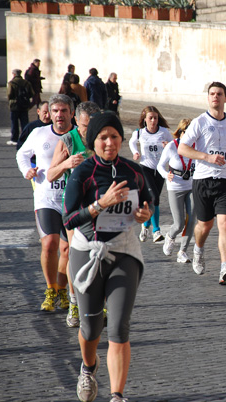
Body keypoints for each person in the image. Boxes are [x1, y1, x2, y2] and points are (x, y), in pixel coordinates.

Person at [62, 111, 153, 402]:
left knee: (118, 326)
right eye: (103, 137)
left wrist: (145, 214)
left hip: (124, 251)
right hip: (88, 253)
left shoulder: (134, 170)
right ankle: (88, 368)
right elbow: (69, 218)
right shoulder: (82, 172)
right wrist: (99, 204)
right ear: (94, 141)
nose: (110, 143)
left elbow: (148, 202)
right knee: (90, 328)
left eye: (115, 136)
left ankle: (117, 395)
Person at [177, 82, 226, 285]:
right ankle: (198, 249)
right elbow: (182, 148)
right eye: (212, 94)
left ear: (225, 98)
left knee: (225, 224)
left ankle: (225, 267)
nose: (216, 97)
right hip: (203, 180)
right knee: (204, 225)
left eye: (220, 94)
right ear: (208, 98)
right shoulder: (199, 122)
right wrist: (206, 157)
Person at [16, 94, 76, 313]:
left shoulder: (78, 135)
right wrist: (27, 170)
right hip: (46, 197)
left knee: (68, 249)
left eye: (64, 110)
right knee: (49, 244)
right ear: (49, 114)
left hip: (71, 199)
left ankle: (62, 288)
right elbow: (22, 155)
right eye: (56, 111)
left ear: (72, 113)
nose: (59, 115)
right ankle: (51, 290)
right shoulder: (38, 133)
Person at [47, 101, 100, 328]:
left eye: (93, 125)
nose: (90, 130)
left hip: (99, 203)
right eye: (86, 125)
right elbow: (50, 175)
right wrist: (67, 163)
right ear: (76, 121)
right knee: (71, 252)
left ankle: (98, 303)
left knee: (100, 253)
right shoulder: (67, 141)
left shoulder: (102, 137)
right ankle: (74, 302)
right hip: (74, 204)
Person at [129, 106, 173, 243]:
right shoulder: (139, 133)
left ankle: (146, 225)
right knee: (154, 198)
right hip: (145, 168)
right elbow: (131, 142)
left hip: (160, 169)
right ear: (145, 120)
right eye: (150, 118)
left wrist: (168, 146)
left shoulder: (164, 132)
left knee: (154, 200)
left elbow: (174, 145)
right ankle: (156, 230)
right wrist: (135, 152)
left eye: (155, 118)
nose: (153, 121)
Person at [157, 119, 197, 263]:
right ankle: (170, 236)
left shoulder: (196, 146)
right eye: (187, 132)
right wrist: (166, 175)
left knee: (191, 220)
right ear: (181, 132)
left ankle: (183, 252)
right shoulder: (171, 147)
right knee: (179, 223)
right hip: (175, 186)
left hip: (192, 185)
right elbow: (160, 166)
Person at [7, 68, 35, 146]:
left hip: (14, 105)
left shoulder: (11, 83)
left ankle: (14, 139)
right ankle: (25, 138)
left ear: (14, 74)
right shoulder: (26, 83)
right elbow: (31, 93)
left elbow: (9, 94)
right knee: (25, 123)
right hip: (24, 105)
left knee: (14, 122)